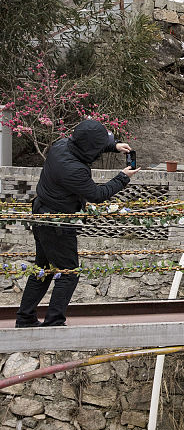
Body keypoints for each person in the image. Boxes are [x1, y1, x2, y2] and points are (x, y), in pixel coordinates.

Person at [16, 119, 134, 328]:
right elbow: (97, 194)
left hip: (41, 213)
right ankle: (54, 324)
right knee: (69, 273)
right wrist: (122, 178)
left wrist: (113, 146)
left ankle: (25, 319)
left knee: (43, 268)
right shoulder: (73, 169)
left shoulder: (61, 145)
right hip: (57, 223)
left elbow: (86, 145)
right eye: (100, 146)